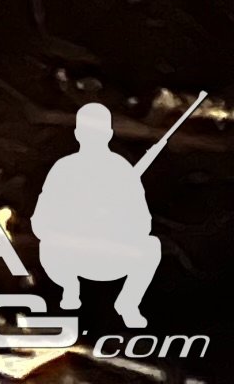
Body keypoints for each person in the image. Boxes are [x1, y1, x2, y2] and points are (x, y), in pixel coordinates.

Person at [33, 103, 166, 328]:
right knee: (47, 245)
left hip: (111, 256)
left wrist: (113, 218)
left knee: (152, 246)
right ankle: (69, 287)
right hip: (70, 256)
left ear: (109, 134)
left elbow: (144, 224)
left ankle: (128, 303)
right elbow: (40, 222)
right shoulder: (63, 169)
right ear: (77, 134)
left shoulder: (122, 170)